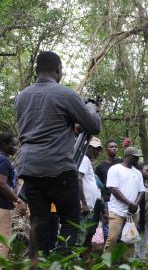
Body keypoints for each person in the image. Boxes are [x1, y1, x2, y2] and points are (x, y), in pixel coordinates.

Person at [14, 51, 102, 253]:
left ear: (38, 69)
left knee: (40, 220)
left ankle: (40, 267)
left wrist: (70, 127)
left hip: (30, 168)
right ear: (58, 69)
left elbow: (43, 126)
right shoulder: (65, 94)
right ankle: (61, 265)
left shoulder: (22, 97)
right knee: (71, 219)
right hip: (58, 168)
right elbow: (93, 127)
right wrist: (90, 108)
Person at [104, 147, 145, 253]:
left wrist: (135, 205)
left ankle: (127, 266)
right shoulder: (115, 169)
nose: (137, 160)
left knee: (130, 240)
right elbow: (113, 188)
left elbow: (141, 191)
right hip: (117, 210)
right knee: (112, 238)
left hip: (133, 212)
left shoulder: (138, 173)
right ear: (127, 156)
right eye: (135, 157)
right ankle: (105, 264)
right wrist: (129, 203)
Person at [0, 131, 26, 257]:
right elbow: (2, 184)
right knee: (3, 243)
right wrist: (18, 201)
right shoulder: (4, 161)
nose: (16, 148)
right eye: (13, 145)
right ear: (4, 144)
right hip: (3, 207)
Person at [78, 137, 103, 248]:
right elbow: (78, 179)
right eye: (95, 149)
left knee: (84, 236)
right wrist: (84, 203)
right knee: (79, 237)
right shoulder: (84, 159)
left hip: (88, 207)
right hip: (83, 206)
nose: (98, 152)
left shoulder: (87, 161)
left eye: (99, 149)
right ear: (87, 148)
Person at [95, 139, 121, 242]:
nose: (114, 148)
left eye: (115, 146)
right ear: (106, 150)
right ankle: (108, 254)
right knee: (108, 227)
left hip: (121, 199)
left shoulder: (121, 163)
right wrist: (102, 205)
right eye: (111, 147)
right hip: (108, 200)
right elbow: (98, 187)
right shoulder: (100, 167)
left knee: (120, 228)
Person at [136, 165, 148, 259]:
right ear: (140, 171)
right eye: (146, 170)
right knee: (136, 239)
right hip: (138, 216)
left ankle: (142, 260)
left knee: (145, 239)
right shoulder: (136, 183)